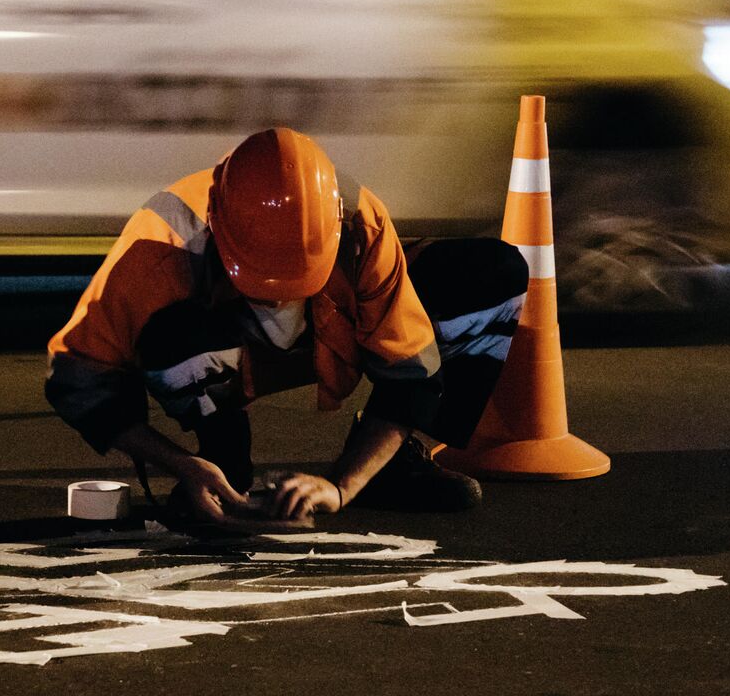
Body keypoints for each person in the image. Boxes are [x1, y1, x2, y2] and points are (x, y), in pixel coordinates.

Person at [45, 127, 527, 525]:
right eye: (261, 279)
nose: (279, 295)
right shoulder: (159, 246)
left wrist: (340, 488)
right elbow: (78, 378)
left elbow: (412, 372)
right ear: (217, 229)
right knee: (169, 334)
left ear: (334, 226)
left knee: (491, 277)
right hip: (225, 341)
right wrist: (180, 465)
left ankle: (391, 464)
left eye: (297, 277)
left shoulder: (361, 223)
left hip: (334, 330)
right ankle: (222, 469)